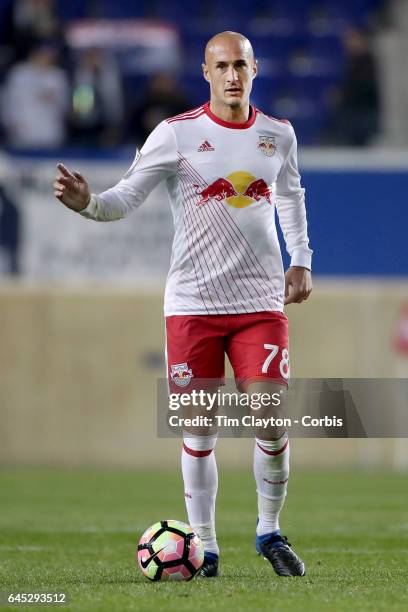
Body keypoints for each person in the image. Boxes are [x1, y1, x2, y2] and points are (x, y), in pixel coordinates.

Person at [53, 31, 312, 578]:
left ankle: (269, 532)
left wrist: (301, 259)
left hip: (260, 299)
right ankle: (207, 547)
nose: (233, 75)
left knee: (270, 419)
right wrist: (88, 205)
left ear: (255, 68)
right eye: (222, 66)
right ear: (206, 72)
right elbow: (125, 197)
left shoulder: (278, 134)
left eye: (241, 64)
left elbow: (290, 195)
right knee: (199, 430)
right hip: (193, 303)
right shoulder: (176, 134)